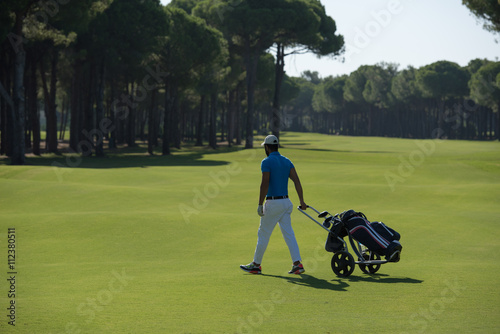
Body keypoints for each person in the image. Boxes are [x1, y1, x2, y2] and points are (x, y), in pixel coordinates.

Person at [240, 135, 307, 275]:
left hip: (273, 203)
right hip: (286, 203)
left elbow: (265, 183)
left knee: (263, 234)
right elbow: (297, 181)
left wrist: (260, 204)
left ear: (267, 147)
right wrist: (301, 201)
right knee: (289, 234)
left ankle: (256, 265)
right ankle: (297, 264)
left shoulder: (267, 161)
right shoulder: (287, 161)